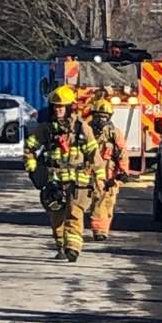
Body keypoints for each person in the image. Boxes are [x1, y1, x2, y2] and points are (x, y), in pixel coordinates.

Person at [24, 86, 105, 262]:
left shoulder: (82, 129)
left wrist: (99, 177)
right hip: (54, 183)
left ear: (70, 108)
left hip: (78, 182)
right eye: (55, 107)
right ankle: (61, 245)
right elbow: (29, 147)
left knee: (74, 214)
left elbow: (94, 155)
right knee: (57, 218)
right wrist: (33, 168)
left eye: (62, 107)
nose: (58, 110)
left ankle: (73, 248)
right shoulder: (45, 129)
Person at [88, 97, 128, 242]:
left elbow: (122, 153)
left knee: (109, 203)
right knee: (99, 201)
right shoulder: (87, 132)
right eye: (98, 116)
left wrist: (123, 172)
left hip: (111, 174)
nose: (101, 120)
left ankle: (104, 229)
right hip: (93, 173)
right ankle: (99, 231)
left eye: (104, 117)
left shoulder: (114, 133)